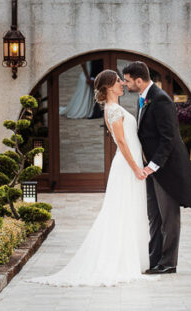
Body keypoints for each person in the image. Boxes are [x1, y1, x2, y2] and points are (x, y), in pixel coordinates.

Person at [28, 69, 153, 286]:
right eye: (118, 82)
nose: (123, 83)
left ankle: (137, 259)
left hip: (132, 165)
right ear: (108, 87)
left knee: (133, 210)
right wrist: (136, 168)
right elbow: (122, 143)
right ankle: (120, 261)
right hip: (126, 167)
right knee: (121, 211)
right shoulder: (112, 110)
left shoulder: (117, 107)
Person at [122, 61, 191, 275]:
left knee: (168, 218)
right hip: (152, 170)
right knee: (153, 216)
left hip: (168, 169)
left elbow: (169, 138)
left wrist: (152, 166)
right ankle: (153, 259)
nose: (125, 84)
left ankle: (168, 263)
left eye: (127, 80)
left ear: (138, 79)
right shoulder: (142, 98)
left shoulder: (161, 99)